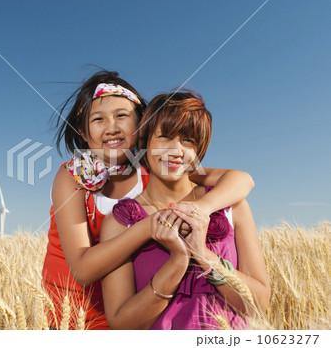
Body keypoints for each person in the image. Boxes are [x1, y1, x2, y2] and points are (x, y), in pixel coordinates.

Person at [42, 71, 255, 329]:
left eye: (122, 116)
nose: (112, 127)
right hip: (73, 315)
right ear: (84, 132)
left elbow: (240, 179)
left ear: (142, 125)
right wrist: (149, 226)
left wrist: (200, 209)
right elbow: (83, 270)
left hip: (137, 310)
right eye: (98, 119)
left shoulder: (156, 169)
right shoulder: (73, 177)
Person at [100, 91, 271, 330]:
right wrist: (177, 263)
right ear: (145, 141)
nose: (176, 150)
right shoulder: (120, 223)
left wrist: (203, 254)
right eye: (165, 137)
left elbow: (259, 305)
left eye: (188, 140)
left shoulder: (231, 206)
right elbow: (122, 324)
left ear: (199, 150)